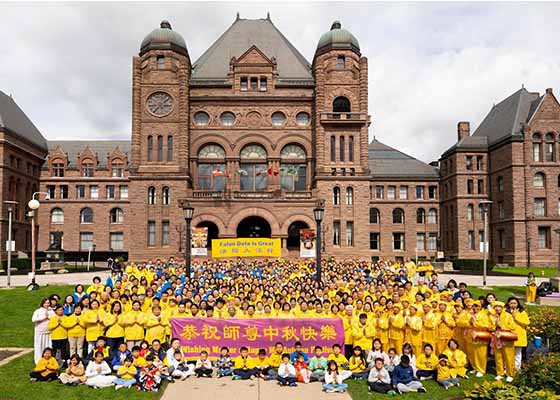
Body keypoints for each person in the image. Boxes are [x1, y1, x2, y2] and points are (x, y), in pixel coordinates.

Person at [490, 301, 516, 382]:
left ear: (502, 308)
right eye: (495, 307)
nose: (497, 308)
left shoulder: (508, 316)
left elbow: (512, 326)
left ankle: (510, 374)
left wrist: (501, 326)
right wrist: (494, 326)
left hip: (506, 338)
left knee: (509, 357)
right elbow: (489, 326)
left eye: (499, 307)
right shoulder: (493, 316)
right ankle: (500, 373)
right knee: (498, 356)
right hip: (497, 338)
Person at [506, 296, 530, 371]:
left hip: (519, 336)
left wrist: (515, 317)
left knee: (517, 353)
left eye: (514, 303)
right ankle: (508, 368)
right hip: (508, 335)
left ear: (518, 304)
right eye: (511, 303)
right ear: (508, 304)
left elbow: (527, 322)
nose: (513, 305)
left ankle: (517, 368)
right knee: (508, 353)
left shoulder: (522, 312)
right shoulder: (505, 312)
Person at [32, 298, 55, 363]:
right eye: (46, 303)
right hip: (40, 332)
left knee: (48, 346)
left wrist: (49, 318)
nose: (47, 304)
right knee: (39, 346)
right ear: (43, 303)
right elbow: (33, 319)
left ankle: (49, 360)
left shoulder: (51, 311)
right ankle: (39, 360)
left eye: (48, 303)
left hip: (49, 332)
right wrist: (43, 318)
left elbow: (54, 319)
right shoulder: (38, 311)